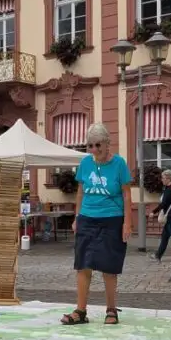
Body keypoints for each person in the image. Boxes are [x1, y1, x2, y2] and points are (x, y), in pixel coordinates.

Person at [61, 123, 133, 327]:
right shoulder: (85, 163)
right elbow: (80, 192)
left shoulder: (119, 164)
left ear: (108, 144)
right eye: (90, 145)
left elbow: (127, 194)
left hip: (112, 219)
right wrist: (77, 217)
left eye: (98, 145)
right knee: (83, 265)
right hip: (87, 218)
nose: (94, 150)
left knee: (109, 267)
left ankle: (111, 309)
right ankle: (80, 310)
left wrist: (127, 222)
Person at [151, 170, 171, 261]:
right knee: (164, 237)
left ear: (168, 178)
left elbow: (164, 204)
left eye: (163, 178)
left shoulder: (170, 189)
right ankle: (158, 255)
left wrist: (153, 212)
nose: (162, 180)